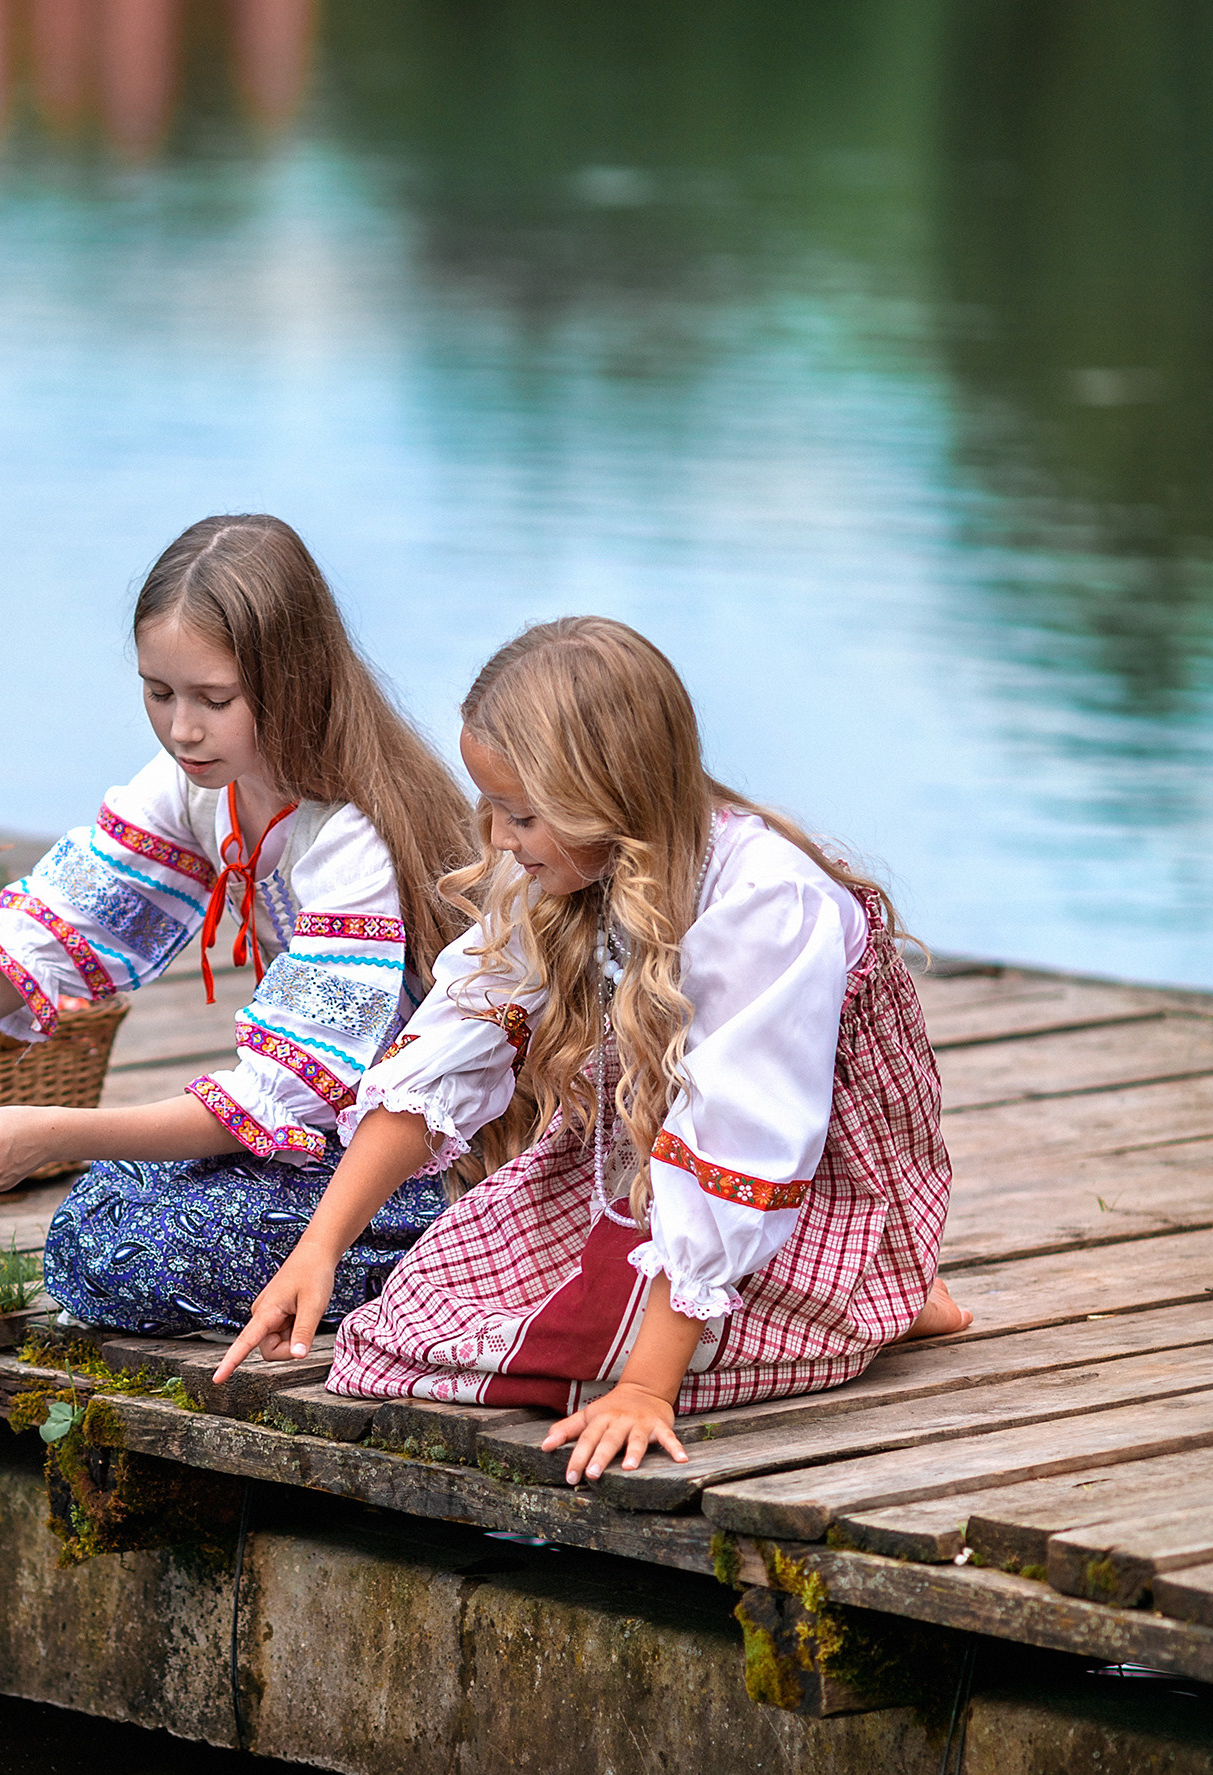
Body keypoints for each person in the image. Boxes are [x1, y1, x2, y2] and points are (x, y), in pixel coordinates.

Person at [213, 616, 966, 1480]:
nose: (499, 839)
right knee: (407, 1332)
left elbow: (740, 1143)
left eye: (521, 815)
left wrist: (646, 1389)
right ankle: (879, 1301)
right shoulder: (561, 868)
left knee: (579, 1363)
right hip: (639, 1165)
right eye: (492, 808)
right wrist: (319, 1247)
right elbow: (452, 1046)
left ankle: (876, 1284)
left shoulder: (766, 902)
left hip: (793, 1192)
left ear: (608, 797)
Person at [0, 516, 476, 1335]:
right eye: (158, 693)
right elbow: (45, 939)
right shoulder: (200, 783)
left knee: (129, 1250)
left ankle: (444, 1257)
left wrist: (54, 1135)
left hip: (420, 1159)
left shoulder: (351, 839)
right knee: (104, 1215)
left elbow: (285, 1090)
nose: (182, 728)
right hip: (316, 1140)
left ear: (295, 680)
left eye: (214, 700)